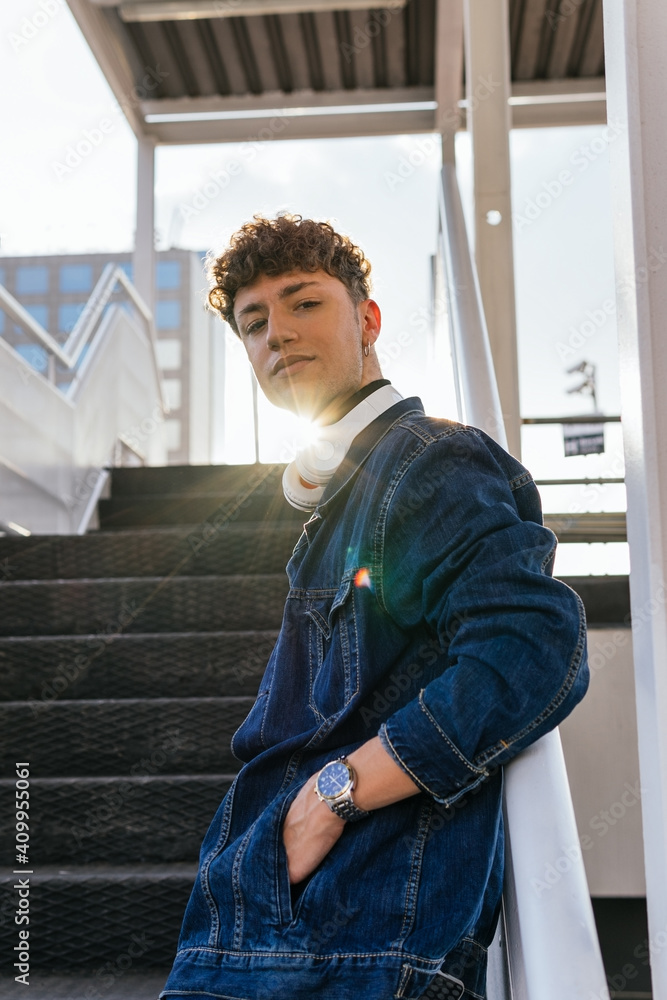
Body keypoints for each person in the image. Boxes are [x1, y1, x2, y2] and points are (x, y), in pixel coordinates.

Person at [159, 214, 589, 1000]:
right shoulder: (341, 503)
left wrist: (333, 795)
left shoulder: (428, 461)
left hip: (353, 927)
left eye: (304, 303)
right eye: (254, 323)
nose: (277, 334)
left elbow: (532, 648)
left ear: (367, 319)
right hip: (275, 916)